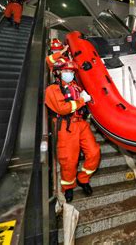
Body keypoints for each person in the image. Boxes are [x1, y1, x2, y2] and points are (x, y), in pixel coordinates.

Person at [45, 59, 101, 202]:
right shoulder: (52, 90)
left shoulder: (75, 86)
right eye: (66, 71)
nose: (69, 74)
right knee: (69, 160)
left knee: (94, 152)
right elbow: (62, 108)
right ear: (58, 73)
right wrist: (82, 100)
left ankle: (83, 178)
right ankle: (68, 187)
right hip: (66, 127)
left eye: (71, 71)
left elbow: (83, 98)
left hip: (81, 123)